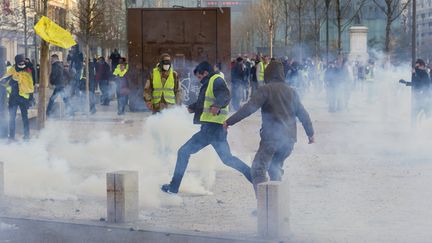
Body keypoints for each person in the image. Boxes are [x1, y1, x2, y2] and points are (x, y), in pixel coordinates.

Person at [224, 61, 314, 195]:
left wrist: (229, 122)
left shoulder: (266, 89)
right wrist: (310, 133)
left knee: (257, 169)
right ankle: (275, 206)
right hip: (289, 140)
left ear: (268, 74)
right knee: (275, 168)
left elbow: (249, 108)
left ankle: (265, 205)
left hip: (272, 138)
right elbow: (303, 113)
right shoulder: (291, 91)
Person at [161, 61, 252, 194]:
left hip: (212, 129)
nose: (199, 80)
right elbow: (203, 102)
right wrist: (191, 108)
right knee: (227, 159)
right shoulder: (209, 82)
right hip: (215, 130)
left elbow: (225, 95)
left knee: (183, 152)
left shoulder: (216, 80)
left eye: (199, 76)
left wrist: (217, 105)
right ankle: (254, 176)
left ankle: (173, 187)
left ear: (205, 73)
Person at [0, 54, 34, 140]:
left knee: (25, 117)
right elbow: (3, 81)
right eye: (20, 62)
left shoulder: (28, 69)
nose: (22, 64)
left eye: (23, 62)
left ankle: (27, 136)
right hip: (14, 97)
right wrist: (12, 81)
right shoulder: (12, 69)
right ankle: (12, 137)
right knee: (12, 117)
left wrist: (31, 98)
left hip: (24, 98)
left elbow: (32, 82)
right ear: (16, 62)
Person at [400, 58, 432, 126]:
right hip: (420, 98)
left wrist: (414, 74)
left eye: (417, 67)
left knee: (427, 116)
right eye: (415, 67)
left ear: (422, 66)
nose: (416, 68)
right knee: (415, 114)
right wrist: (406, 82)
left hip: (425, 98)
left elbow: (421, 84)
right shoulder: (420, 73)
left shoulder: (424, 74)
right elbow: (416, 83)